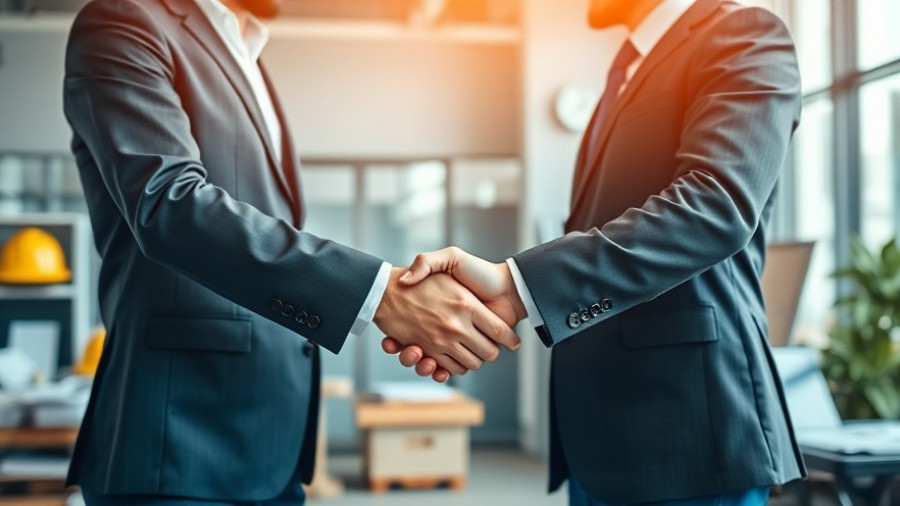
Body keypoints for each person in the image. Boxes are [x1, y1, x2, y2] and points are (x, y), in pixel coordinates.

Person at [61, 0, 520, 504]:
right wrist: (380, 295)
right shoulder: (125, 20)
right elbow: (168, 205)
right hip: (181, 444)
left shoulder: (248, 52)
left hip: (272, 446)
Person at [385, 0, 806, 504]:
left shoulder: (744, 33)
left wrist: (520, 288)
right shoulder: (627, 71)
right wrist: (504, 295)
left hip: (687, 434)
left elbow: (715, 207)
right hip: (605, 433)